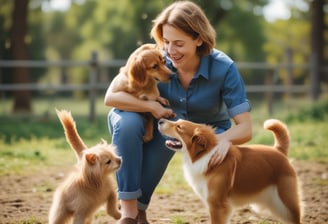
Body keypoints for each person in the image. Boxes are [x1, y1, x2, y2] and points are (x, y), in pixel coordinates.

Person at [104, 1, 252, 223]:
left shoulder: (223, 68)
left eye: (179, 43)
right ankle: (130, 214)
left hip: (203, 131)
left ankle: (142, 209)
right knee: (128, 125)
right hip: (156, 121)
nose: (171, 51)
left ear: (198, 39)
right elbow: (111, 97)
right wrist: (151, 106)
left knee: (178, 140)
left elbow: (245, 128)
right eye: (166, 41)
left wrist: (219, 140)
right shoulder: (152, 56)